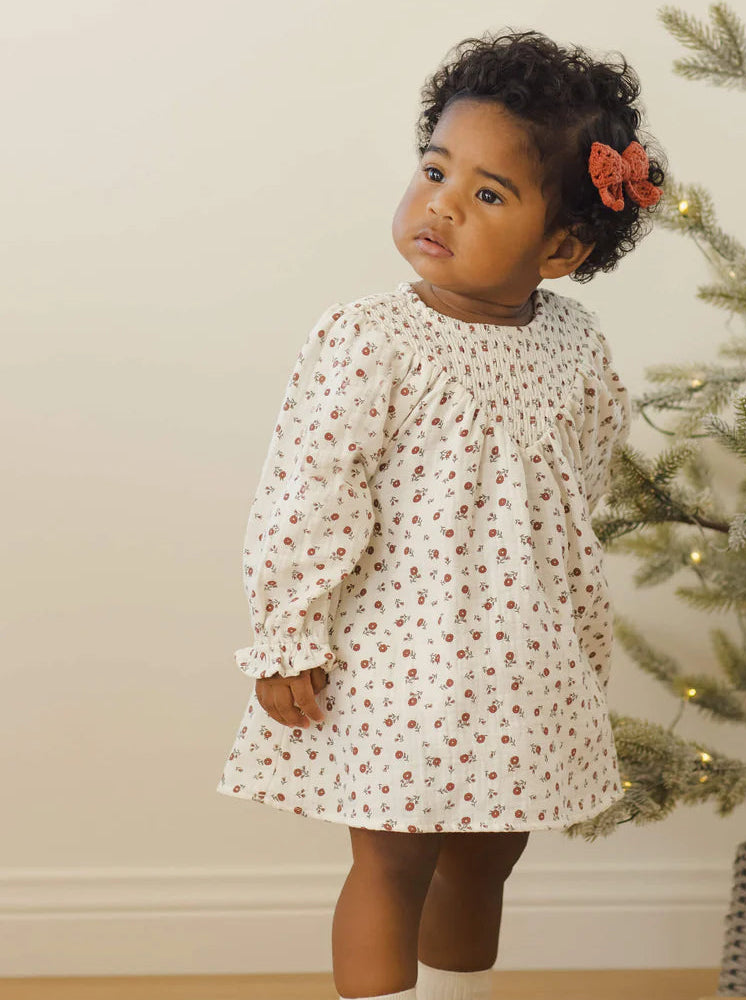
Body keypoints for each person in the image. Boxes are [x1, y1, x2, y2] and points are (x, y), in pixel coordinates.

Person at [216, 28, 664, 1000]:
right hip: (396, 664)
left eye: (488, 193)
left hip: (522, 669)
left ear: (560, 246)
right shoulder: (369, 340)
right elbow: (309, 490)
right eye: (433, 170)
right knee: (392, 860)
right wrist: (288, 633)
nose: (441, 204)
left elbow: (580, 487)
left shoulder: (573, 346)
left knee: (485, 857)